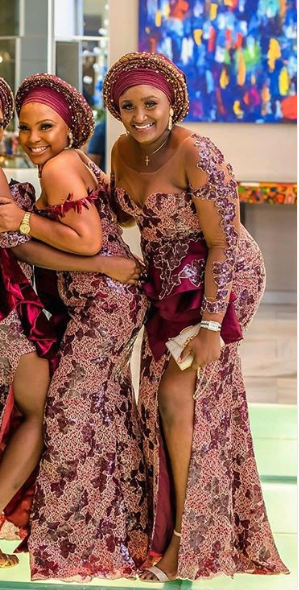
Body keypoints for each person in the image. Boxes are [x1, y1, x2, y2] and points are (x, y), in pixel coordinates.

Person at [0, 70, 143, 571]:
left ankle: (25, 522)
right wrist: (103, 262)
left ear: (69, 128)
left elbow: (77, 235)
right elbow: (24, 245)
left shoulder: (50, 166)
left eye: (1, 124)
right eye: (19, 127)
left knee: (51, 409)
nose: (15, 137)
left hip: (6, 296)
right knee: (49, 410)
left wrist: (90, 253)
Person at [102, 51, 289, 582]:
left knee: (176, 397)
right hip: (166, 283)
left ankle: (190, 538)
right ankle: (170, 527)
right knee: (156, 401)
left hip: (220, 277)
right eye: (128, 106)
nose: (140, 116)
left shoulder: (197, 153)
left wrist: (211, 326)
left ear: (172, 104)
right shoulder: (121, 150)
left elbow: (223, 243)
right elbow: (124, 215)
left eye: (151, 104)